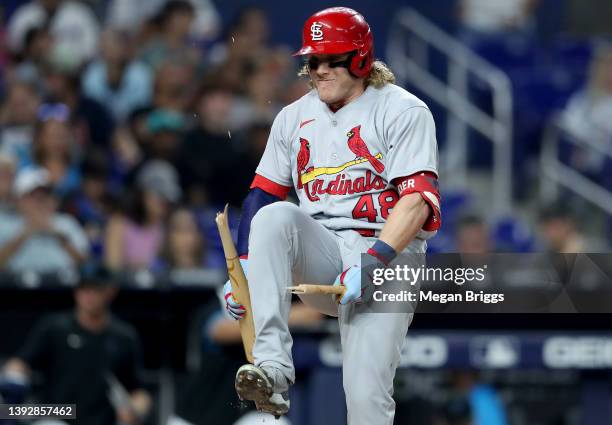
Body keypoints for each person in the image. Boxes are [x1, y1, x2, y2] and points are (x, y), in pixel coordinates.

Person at [222, 7, 441, 424]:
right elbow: (261, 197)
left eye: (331, 59)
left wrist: (374, 261)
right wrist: (248, 275)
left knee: (365, 399)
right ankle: (272, 368)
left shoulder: (403, 110)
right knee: (274, 218)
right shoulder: (292, 117)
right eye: (313, 60)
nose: (319, 69)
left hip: (389, 256)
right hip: (323, 250)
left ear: (360, 59)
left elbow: (416, 201)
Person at [0, 261, 151, 425]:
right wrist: (11, 377)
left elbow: (138, 391)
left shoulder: (123, 336)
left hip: (102, 420)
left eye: (95, 289)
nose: (88, 295)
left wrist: (135, 409)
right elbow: (22, 362)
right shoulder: (55, 326)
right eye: (83, 288)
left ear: (110, 291)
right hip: (58, 414)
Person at [0, 167, 88, 273]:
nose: (40, 201)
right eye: (33, 196)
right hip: (14, 284)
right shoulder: (5, 223)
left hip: (62, 284)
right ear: (18, 200)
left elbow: (84, 264)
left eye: (45, 195)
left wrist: (57, 235)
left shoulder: (66, 223)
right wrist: (25, 233)